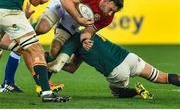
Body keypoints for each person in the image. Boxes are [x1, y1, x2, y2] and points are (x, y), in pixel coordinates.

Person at [0, 0, 70, 102]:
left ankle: (9, 83)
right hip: (10, 12)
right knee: (36, 50)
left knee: (17, 48)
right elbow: (35, 1)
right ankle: (46, 92)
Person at [48, 32, 180, 99]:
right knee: (163, 77)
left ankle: (137, 91)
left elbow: (60, 66)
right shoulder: (87, 32)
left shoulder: (71, 42)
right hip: (130, 58)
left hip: (117, 70)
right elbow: (73, 67)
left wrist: (46, 63)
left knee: (117, 93)